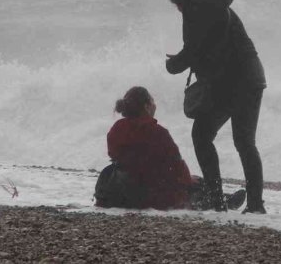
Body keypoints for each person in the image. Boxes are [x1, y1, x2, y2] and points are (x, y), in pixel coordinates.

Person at [165, 0, 267, 214]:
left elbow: (192, 51)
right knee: (245, 143)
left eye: (179, 8)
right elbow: (204, 48)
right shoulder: (218, 9)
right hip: (252, 78)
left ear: (184, 2)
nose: (180, 13)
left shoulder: (197, 11)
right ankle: (255, 204)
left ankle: (216, 200)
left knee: (201, 136)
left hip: (229, 84)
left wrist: (173, 65)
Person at [97, 85, 246, 211]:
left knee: (192, 182)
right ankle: (224, 202)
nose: (155, 105)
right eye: (152, 101)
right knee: (195, 185)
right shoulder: (157, 132)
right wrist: (188, 180)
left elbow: (114, 154)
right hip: (150, 192)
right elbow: (176, 164)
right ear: (147, 106)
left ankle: (224, 198)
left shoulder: (117, 128)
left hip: (123, 187)